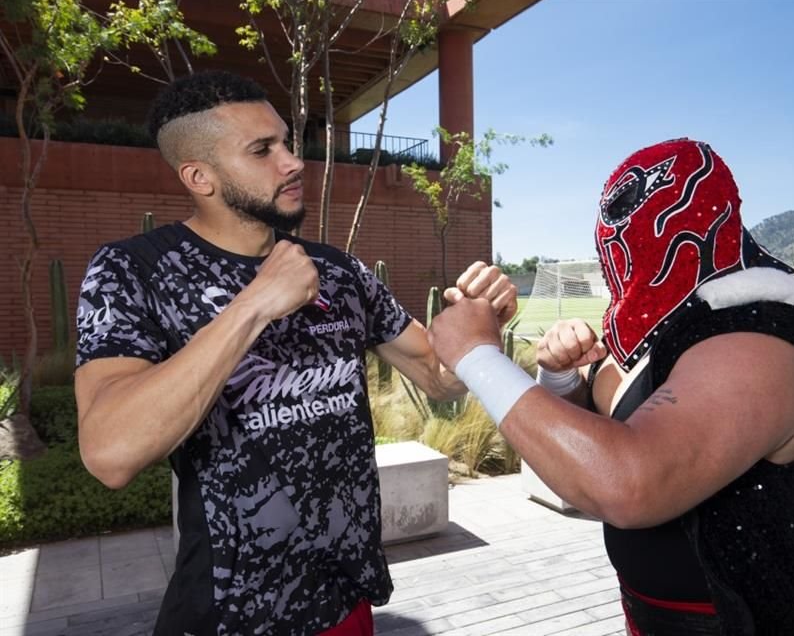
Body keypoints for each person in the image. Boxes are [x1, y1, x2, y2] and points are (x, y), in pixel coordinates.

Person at [427, 138, 794, 635]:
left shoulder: (758, 340)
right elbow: (586, 447)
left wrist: (477, 356)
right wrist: (559, 375)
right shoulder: (670, 330)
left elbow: (627, 483)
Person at [74, 70, 517, 636]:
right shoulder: (134, 270)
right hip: (229, 614)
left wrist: (479, 333)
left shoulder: (340, 269)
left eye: (286, 141)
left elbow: (437, 375)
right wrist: (251, 306)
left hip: (345, 601)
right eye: (263, 150)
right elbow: (110, 454)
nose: (292, 161)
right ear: (199, 176)